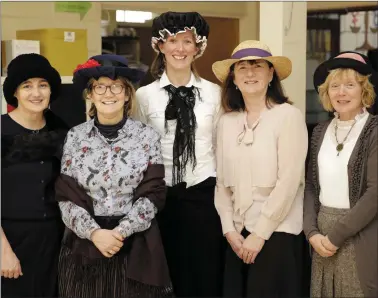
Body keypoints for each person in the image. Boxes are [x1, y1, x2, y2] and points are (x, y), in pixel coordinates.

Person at [55, 54, 172, 297]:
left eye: (117, 86)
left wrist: (119, 233)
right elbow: (67, 196)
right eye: (100, 87)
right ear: (90, 95)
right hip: (84, 245)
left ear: (127, 93)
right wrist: (96, 233)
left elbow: (154, 193)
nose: (109, 93)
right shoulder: (75, 138)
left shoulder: (147, 137)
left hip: (134, 245)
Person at [134, 11, 225, 298]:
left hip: (204, 195)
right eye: (172, 41)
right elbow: (138, 150)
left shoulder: (216, 93)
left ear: (198, 47)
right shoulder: (144, 96)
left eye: (187, 41)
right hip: (161, 197)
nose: (179, 49)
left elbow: (222, 145)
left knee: (204, 273)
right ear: (160, 46)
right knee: (163, 275)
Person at [212, 40, 308, 297]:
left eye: (258, 66)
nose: (250, 73)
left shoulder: (288, 116)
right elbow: (221, 182)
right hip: (237, 237)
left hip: (276, 234)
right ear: (233, 77)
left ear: (271, 73)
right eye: (242, 67)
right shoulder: (226, 121)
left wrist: (260, 234)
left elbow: (289, 182)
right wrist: (229, 230)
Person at [304, 51, 377, 298]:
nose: (341, 92)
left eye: (349, 85)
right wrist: (312, 233)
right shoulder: (319, 132)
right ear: (326, 92)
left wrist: (335, 237)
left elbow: (374, 193)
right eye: (334, 86)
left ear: (364, 89)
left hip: (359, 235)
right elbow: (312, 187)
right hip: (321, 240)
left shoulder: (374, 131)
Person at [1, 53, 68, 297]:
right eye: (26, 86)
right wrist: (3, 251)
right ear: (15, 93)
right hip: (10, 239)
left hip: (55, 240)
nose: (36, 93)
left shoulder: (63, 132)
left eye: (43, 85)